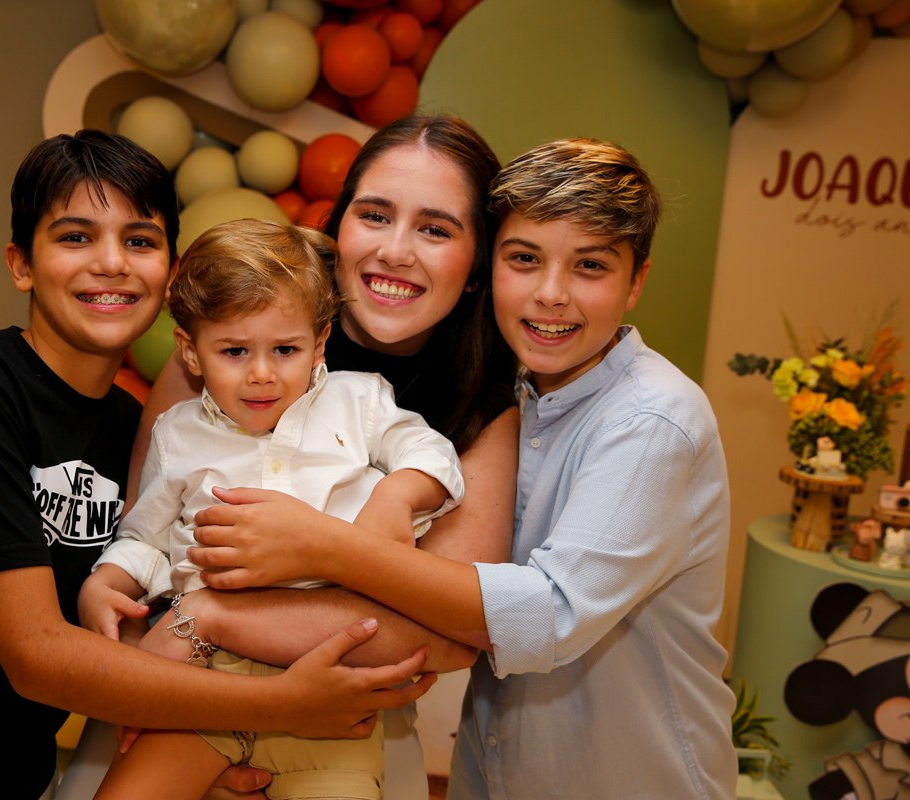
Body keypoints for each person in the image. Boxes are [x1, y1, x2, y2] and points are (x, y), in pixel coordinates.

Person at [0, 130, 434, 800]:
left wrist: (215, 743)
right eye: (76, 237)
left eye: (140, 240)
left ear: (170, 272)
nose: (111, 263)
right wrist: (275, 708)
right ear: (21, 263)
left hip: (2, 774)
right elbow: (37, 656)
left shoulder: (143, 432)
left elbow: (147, 596)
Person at [184, 138, 738, 799]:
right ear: (491, 267)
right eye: (524, 259)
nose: (551, 294)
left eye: (590, 266)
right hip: (496, 774)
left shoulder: (651, 418)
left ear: (637, 281)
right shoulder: (522, 397)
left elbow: (549, 614)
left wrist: (324, 547)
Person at [58, 115, 520, 800]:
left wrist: (290, 565)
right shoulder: (222, 339)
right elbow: (149, 545)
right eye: (374, 214)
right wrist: (183, 693)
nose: (395, 250)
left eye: (435, 228)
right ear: (339, 225)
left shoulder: (469, 407)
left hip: (339, 714)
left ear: (478, 265)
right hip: (182, 694)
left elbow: (452, 635)